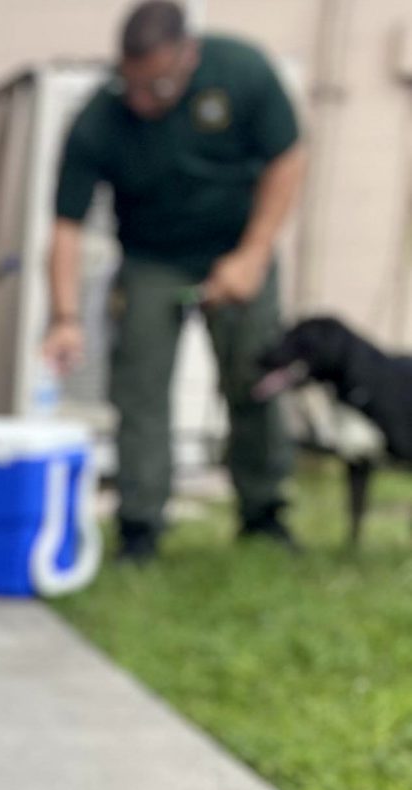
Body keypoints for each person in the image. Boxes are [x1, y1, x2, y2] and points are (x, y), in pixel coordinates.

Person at [45, 1, 306, 563]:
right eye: (131, 84)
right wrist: (65, 319)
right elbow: (65, 226)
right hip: (150, 259)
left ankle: (263, 513)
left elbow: (288, 157)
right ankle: (140, 525)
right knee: (138, 388)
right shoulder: (100, 116)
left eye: (157, 87)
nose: (142, 100)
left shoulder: (242, 73)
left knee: (255, 376)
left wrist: (254, 254)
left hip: (236, 251)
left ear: (190, 56)